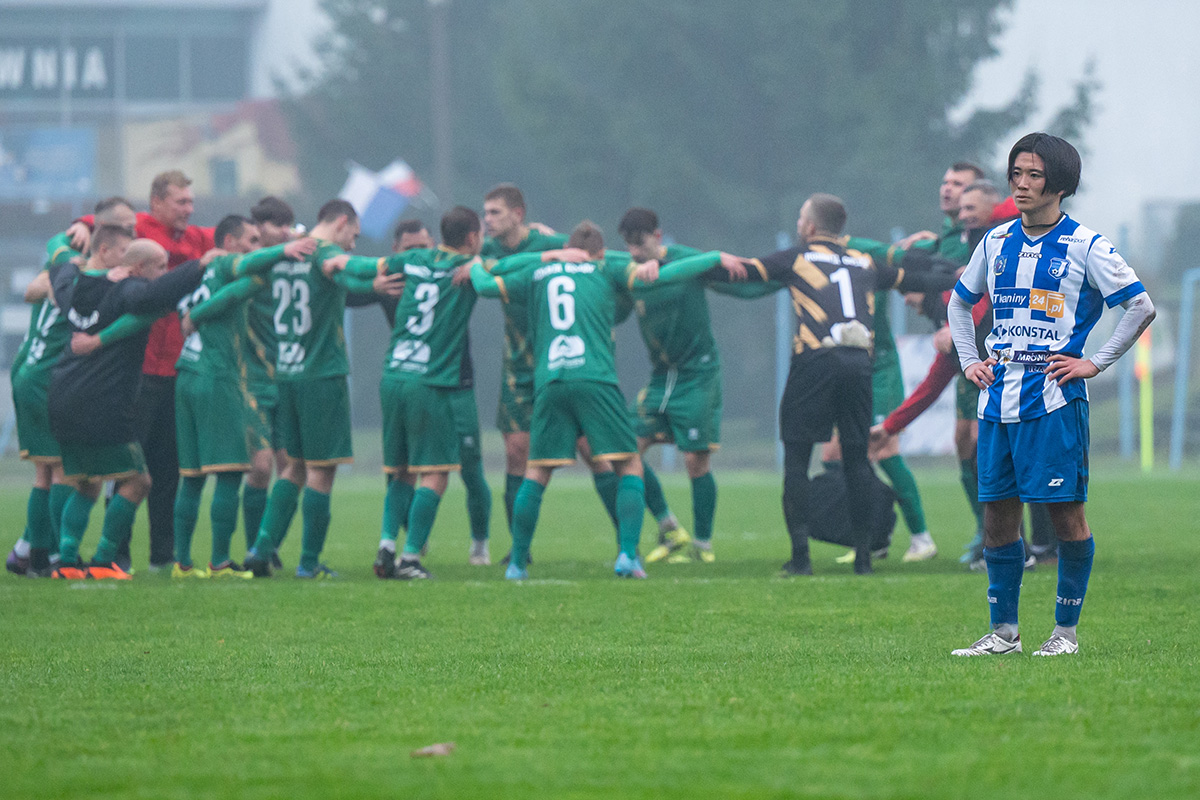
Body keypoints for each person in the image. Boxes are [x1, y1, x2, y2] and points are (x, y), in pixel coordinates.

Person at [948, 132, 1155, 657]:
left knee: (1065, 517)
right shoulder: (995, 241)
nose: (1021, 184)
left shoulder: (1086, 245)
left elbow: (1139, 305)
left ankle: (1065, 634)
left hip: (1054, 398)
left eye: (1034, 175)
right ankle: (1004, 633)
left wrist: (1094, 362)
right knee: (998, 517)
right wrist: (970, 359)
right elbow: (959, 303)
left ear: (1059, 184)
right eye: (1016, 173)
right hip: (998, 397)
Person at [692, 194, 957, 576]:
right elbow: (915, 279)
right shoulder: (864, 260)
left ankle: (801, 558)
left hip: (815, 361)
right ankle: (863, 559)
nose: (799, 224)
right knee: (857, 461)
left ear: (811, 226)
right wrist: (960, 275)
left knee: (797, 462)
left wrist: (697, 266)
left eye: (801, 218)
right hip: (859, 363)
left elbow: (743, 273)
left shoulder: (797, 257)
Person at [471, 222, 743, 580]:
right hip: (595, 378)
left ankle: (517, 564)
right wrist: (714, 257)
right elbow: (667, 275)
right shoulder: (605, 269)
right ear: (600, 252)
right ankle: (628, 555)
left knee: (537, 471)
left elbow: (486, 284)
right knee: (628, 464)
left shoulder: (537, 271)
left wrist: (479, 264)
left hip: (550, 381)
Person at [65, 170, 215, 572]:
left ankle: (162, 556)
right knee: (127, 468)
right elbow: (100, 226)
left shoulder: (196, 238)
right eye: (181, 201)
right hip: (137, 372)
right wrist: (80, 224)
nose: (189, 209)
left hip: (175, 369)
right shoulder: (137, 229)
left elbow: (232, 239)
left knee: (168, 469)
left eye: (191, 201)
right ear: (157, 202)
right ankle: (116, 554)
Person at [328, 206, 483, 578]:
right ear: (473, 237)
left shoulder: (410, 261)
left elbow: (362, 267)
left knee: (400, 472)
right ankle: (411, 558)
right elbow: (506, 276)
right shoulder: (470, 267)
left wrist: (335, 261)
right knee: (437, 472)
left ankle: (386, 547)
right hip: (430, 381)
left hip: (393, 376)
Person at [166, 216, 318, 578]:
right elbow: (237, 288)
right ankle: (220, 562)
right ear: (231, 243)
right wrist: (284, 250)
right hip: (217, 375)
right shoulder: (227, 264)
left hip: (186, 372)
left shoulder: (199, 274)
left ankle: (182, 563)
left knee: (192, 477)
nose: (255, 248)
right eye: (250, 241)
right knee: (231, 472)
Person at [617, 207, 770, 564]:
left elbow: (738, 283)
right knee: (624, 450)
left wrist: (783, 278)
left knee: (695, 461)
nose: (635, 252)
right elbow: (616, 305)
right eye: (629, 245)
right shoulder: (630, 271)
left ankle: (702, 546)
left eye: (640, 243)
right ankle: (670, 527)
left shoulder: (687, 261)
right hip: (661, 377)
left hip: (698, 375)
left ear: (658, 236)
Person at [480, 185, 623, 547]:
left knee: (594, 451)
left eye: (495, 212)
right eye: (485, 213)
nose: (487, 220)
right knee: (516, 451)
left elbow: (600, 257)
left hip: (562, 360)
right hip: (519, 363)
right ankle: (519, 550)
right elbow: (477, 266)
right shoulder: (487, 250)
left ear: (518, 214)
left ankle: (628, 540)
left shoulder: (553, 242)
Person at [5, 200, 137, 576]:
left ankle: (28, 551)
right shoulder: (88, 278)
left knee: (45, 472)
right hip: (47, 376)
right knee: (64, 471)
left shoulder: (63, 267)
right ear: (104, 238)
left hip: (28, 370)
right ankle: (48, 556)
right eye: (127, 227)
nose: (133, 232)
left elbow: (36, 285)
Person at [242, 200, 369, 578]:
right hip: (321, 374)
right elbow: (347, 272)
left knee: (294, 467)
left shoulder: (284, 255)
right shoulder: (324, 252)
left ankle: (261, 549)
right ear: (341, 222)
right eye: (353, 236)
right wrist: (382, 272)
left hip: (286, 372)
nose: (352, 245)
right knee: (321, 469)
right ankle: (309, 563)